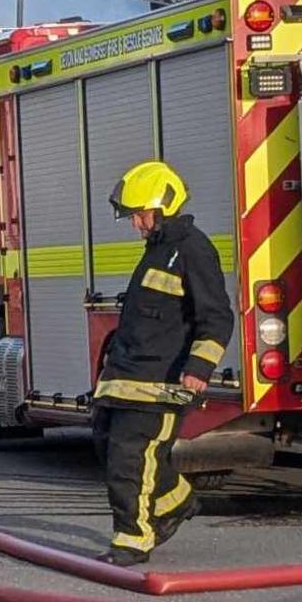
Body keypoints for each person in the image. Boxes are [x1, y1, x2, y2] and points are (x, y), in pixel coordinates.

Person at [91, 161, 234, 566]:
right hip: (127, 378)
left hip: (161, 383)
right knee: (106, 445)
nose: (136, 223)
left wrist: (199, 368)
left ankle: (132, 539)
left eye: (140, 214)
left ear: (163, 208)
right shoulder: (158, 252)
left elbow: (217, 317)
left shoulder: (192, 250)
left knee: (130, 460)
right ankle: (177, 502)